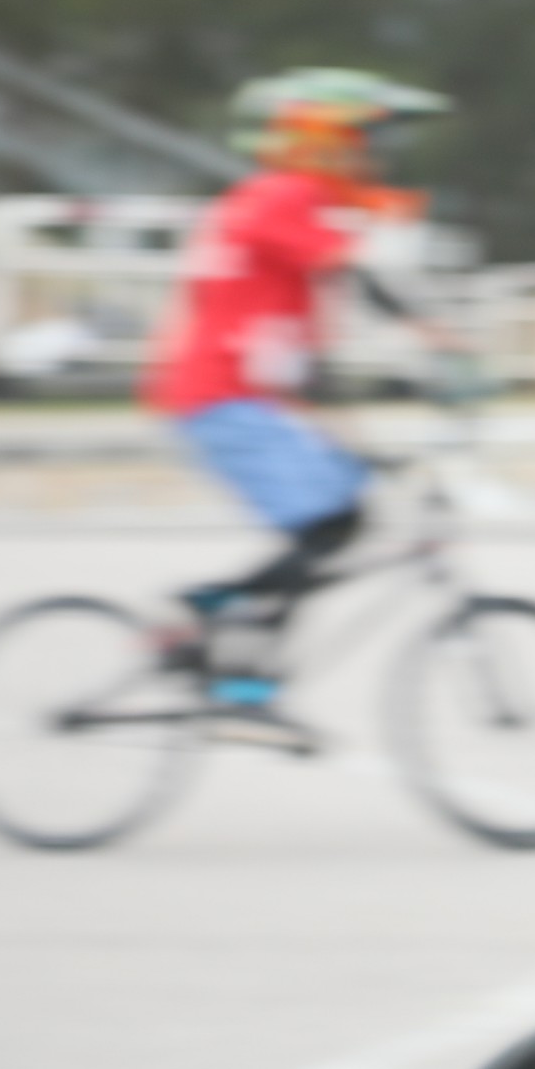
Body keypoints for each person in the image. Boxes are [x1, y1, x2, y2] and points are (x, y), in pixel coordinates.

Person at [144, 68, 453, 704]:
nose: (371, 160)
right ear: (319, 140)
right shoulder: (284, 195)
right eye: (362, 143)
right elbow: (359, 275)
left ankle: (220, 617)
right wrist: (433, 333)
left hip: (237, 398)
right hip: (222, 399)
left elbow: (306, 366)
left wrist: (358, 448)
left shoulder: (274, 202)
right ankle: (239, 674)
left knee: (345, 518)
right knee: (321, 529)